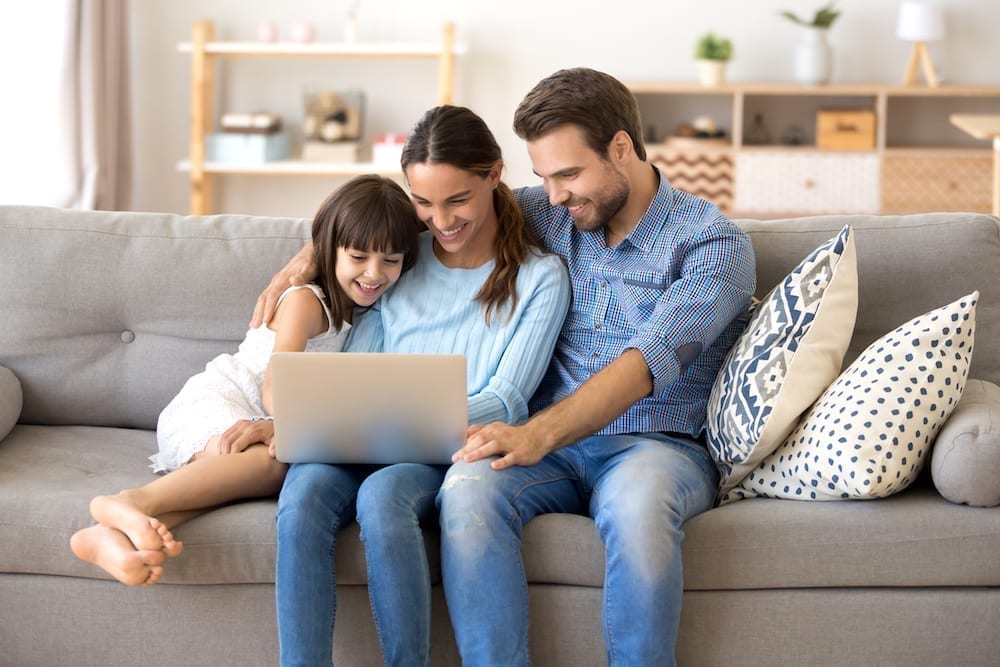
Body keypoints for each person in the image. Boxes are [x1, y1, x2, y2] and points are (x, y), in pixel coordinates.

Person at [436, 68, 757, 665]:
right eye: (544, 178)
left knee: (638, 508)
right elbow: (443, 213)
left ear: (620, 148)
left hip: (657, 446)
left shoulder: (714, 245)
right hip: (552, 452)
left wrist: (536, 434)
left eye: (568, 174)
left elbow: (644, 365)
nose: (555, 193)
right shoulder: (553, 215)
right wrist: (310, 256)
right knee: (466, 488)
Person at [255, 105, 570, 667]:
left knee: (381, 497)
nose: (440, 220)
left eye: (456, 201)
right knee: (301, 494)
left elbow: (506, 400)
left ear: (495, 176)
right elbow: (359, 359)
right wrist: (304, 417)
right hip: (361, 430)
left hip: (443, 446)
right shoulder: (400, 258)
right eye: (423, 202)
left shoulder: (539, 277)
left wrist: (389, 419)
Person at [69, 174, 421, 587]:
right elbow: (277, 385)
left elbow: (432, 220)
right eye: (358, 257)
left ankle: (109, 535)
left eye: (391, 261)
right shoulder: (307, 301)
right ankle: (130, 500)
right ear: (328, 251)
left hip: (257, 417)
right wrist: (288, 426)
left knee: (260, 474)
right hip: (218, 401)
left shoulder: (361, 307)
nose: (374, 273)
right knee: (275, 465)